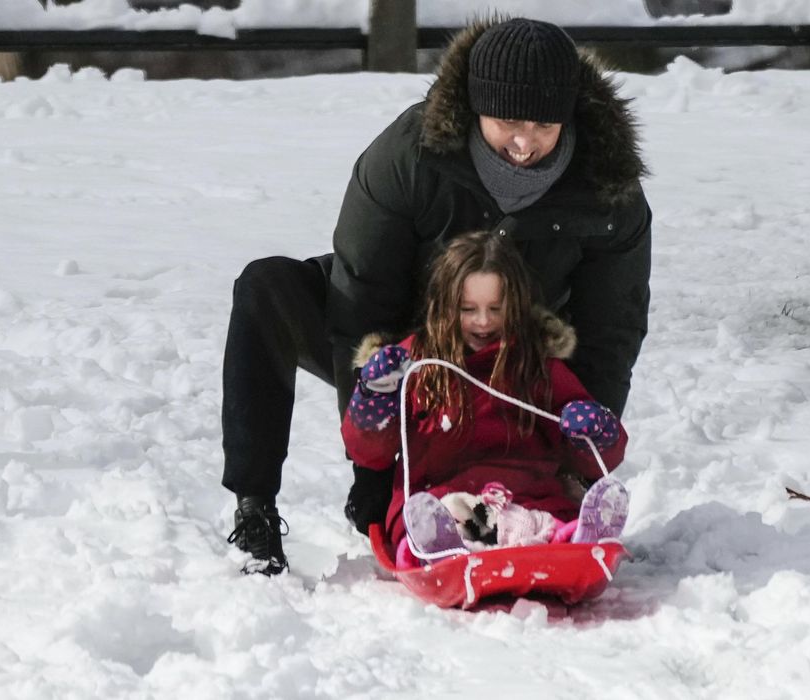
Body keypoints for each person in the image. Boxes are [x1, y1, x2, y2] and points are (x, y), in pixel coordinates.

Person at [222, 17, 651, 575]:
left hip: (515, 355)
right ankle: (255, 509)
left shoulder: (608, 186)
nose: (525, 143)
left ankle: (535, 517)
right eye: (507, 122)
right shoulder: (410, 154)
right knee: (265, 287)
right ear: (476, 110)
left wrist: (585, 456)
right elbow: (363, 299)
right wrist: (371, 471)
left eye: (545, 125)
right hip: (400, 337)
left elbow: (612, 329)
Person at [341, 232, 629, 559]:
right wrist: (373, 403)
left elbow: (595, 461)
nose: (483, 321)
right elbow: (370, 454)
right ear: (444, 306)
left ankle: (577, 539)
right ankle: (442, 548)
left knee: (543, 521)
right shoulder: (417, 364)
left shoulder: (536, 365)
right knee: (451, 513)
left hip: (529, 500)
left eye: (496, 308)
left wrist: (595, 434)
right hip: (442, 502)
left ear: (517, 306)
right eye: (468, 309)